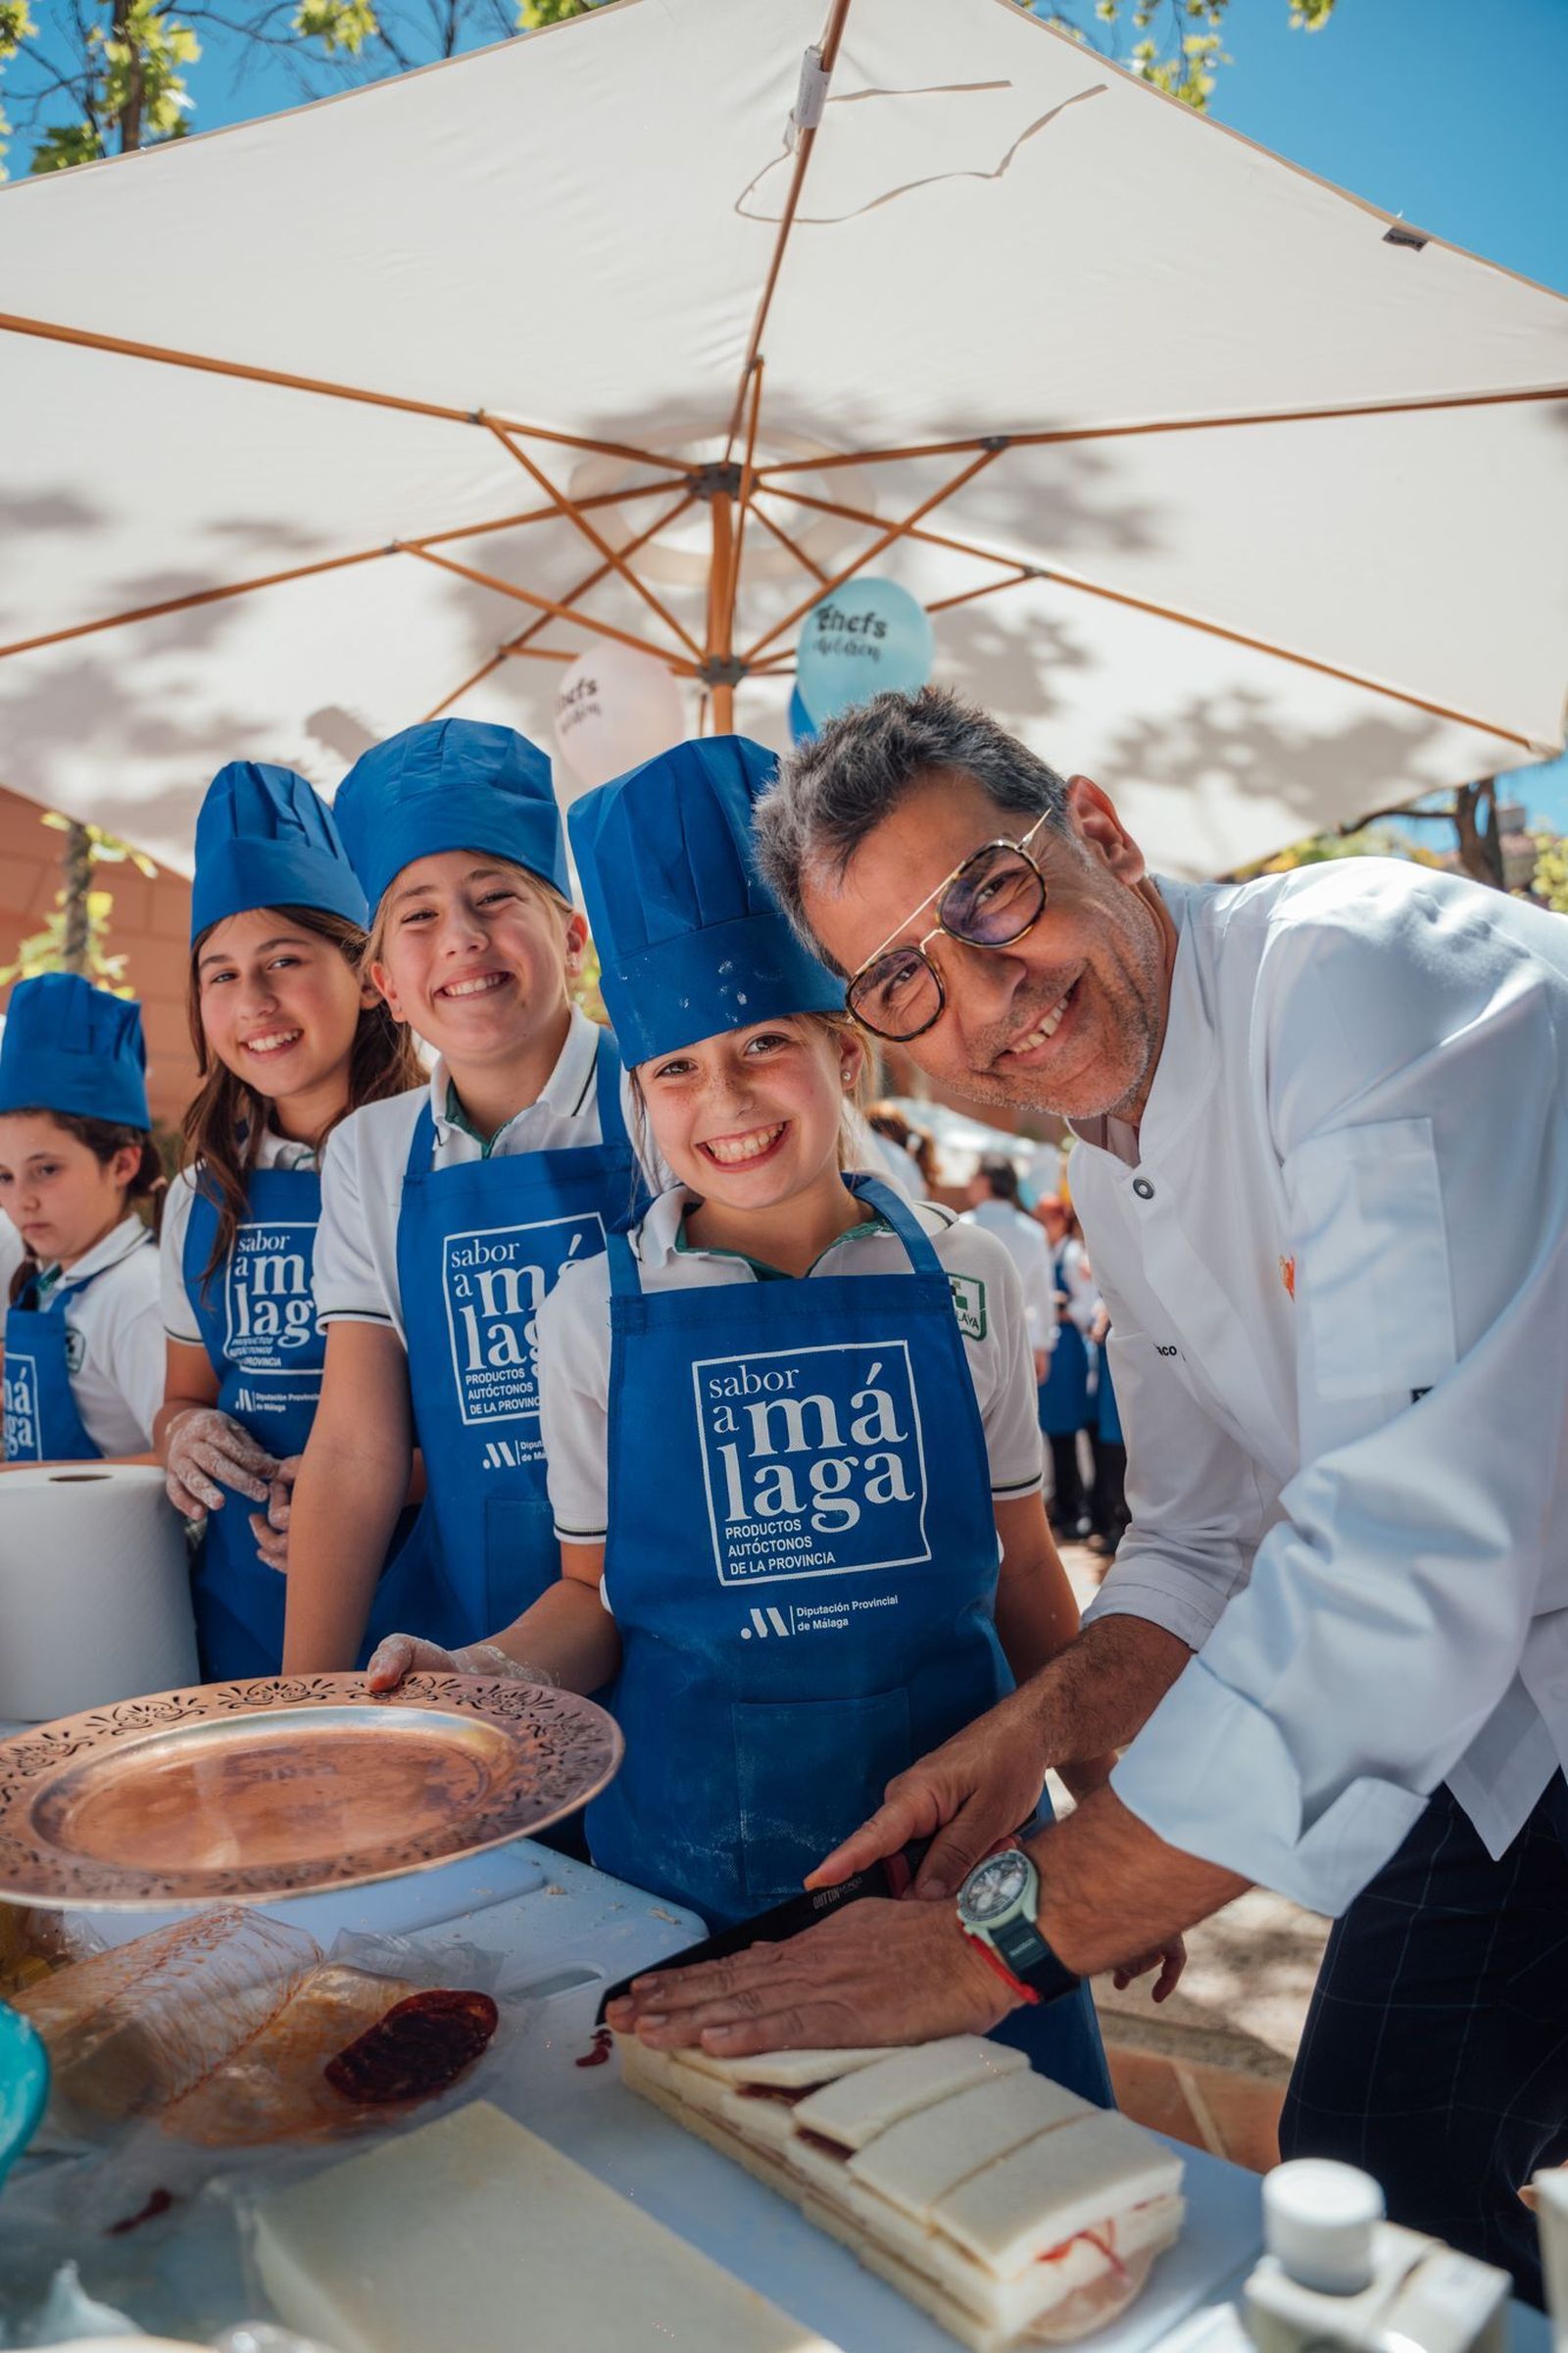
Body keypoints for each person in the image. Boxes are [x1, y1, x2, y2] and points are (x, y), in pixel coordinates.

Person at [609, 686, 1568, 2303]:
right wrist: (1034, 1733)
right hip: (1502, 1718)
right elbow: (1204, 1532)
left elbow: (1403, 1558)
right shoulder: (1108, 1151)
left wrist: (996, 1937)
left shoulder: (1360, 982)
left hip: (1484, 1659)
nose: (989, 998)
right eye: (904, 977)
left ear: (1099, 832)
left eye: (991, 891)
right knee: (1378, 2170)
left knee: (1378, 2172)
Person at [368, 733, 1124, 2103]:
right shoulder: (594, 1314)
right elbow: (590, 1604)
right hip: (699, 1881)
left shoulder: (966, 1276)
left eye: (765, 1046)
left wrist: (1112, 1817)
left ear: (845, 1048)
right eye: (676, 1071)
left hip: (949, 1875)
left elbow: (1023, 1572)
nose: (723, 1103)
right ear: (640, 1091)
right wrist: (476, 1673)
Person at [281, 718, 646, 1672]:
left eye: (496, 898)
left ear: (572, 937)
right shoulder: (369, 1150)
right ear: (383, 984)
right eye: (417, 917)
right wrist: (302, 1705)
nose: (463, 938)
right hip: (466, 1621)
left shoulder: (666, 1103)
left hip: (674, 1602)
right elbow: (357, 1445)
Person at [153, 761, 425, 1677]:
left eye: (284, 962)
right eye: (220, 974)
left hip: (424, 1604)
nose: (253, 1004)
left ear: (364, 972)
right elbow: (184, 1394)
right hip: (240, 1614)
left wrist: (367, 1492)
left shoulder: (438, 1159)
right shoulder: (200, 1192)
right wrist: (183, 1435)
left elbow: (513, 1429)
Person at [0, 974, 164, 1464]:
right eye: (4, 1177)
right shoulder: (50, 1282)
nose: (21, 1201)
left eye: (45, 1170)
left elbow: (175, 1456)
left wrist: (30, 1481)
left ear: (122, 1164)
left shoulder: (139, 1294)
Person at [1032, 1194, 1096, 1538]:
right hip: (1056, 1350)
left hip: (1069, 1350)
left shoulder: (1072, 1256)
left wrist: (1057, 1307)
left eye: (1046, 1218)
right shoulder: (1050, 1253)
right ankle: (1063, 1505)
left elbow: (1086, 1307)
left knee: (1066, 1431)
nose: (1041, 1225)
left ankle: (1074, 1507)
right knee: (1054, 1431)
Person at [959, 1155, 1054, 1381]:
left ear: (985, 1181)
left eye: (972, 1176)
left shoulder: (960, 1228)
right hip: (1022, 1339)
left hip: (969, 1341)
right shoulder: (1034, 1232)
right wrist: (1043, 1346)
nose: (968, 1183)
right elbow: (1043, 1292)